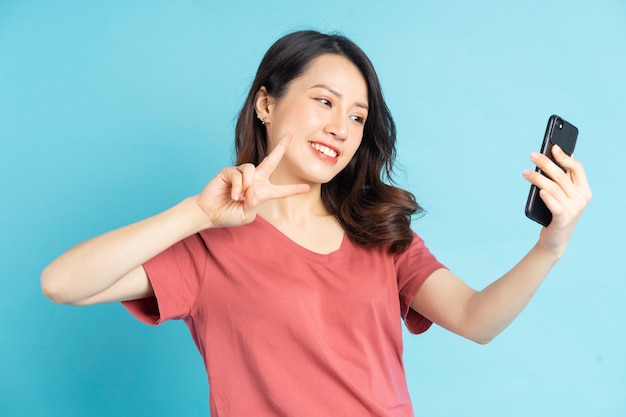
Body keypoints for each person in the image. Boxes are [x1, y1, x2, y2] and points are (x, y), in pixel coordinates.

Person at [41, 30, 591, 416]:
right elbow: (62, 284)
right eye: (323, 102)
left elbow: (476, 319)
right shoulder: (209, 244)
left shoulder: (382, 235)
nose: (340, 128)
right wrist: (195, 214)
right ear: (265, 103)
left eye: (356, 116)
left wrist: (551, 243)